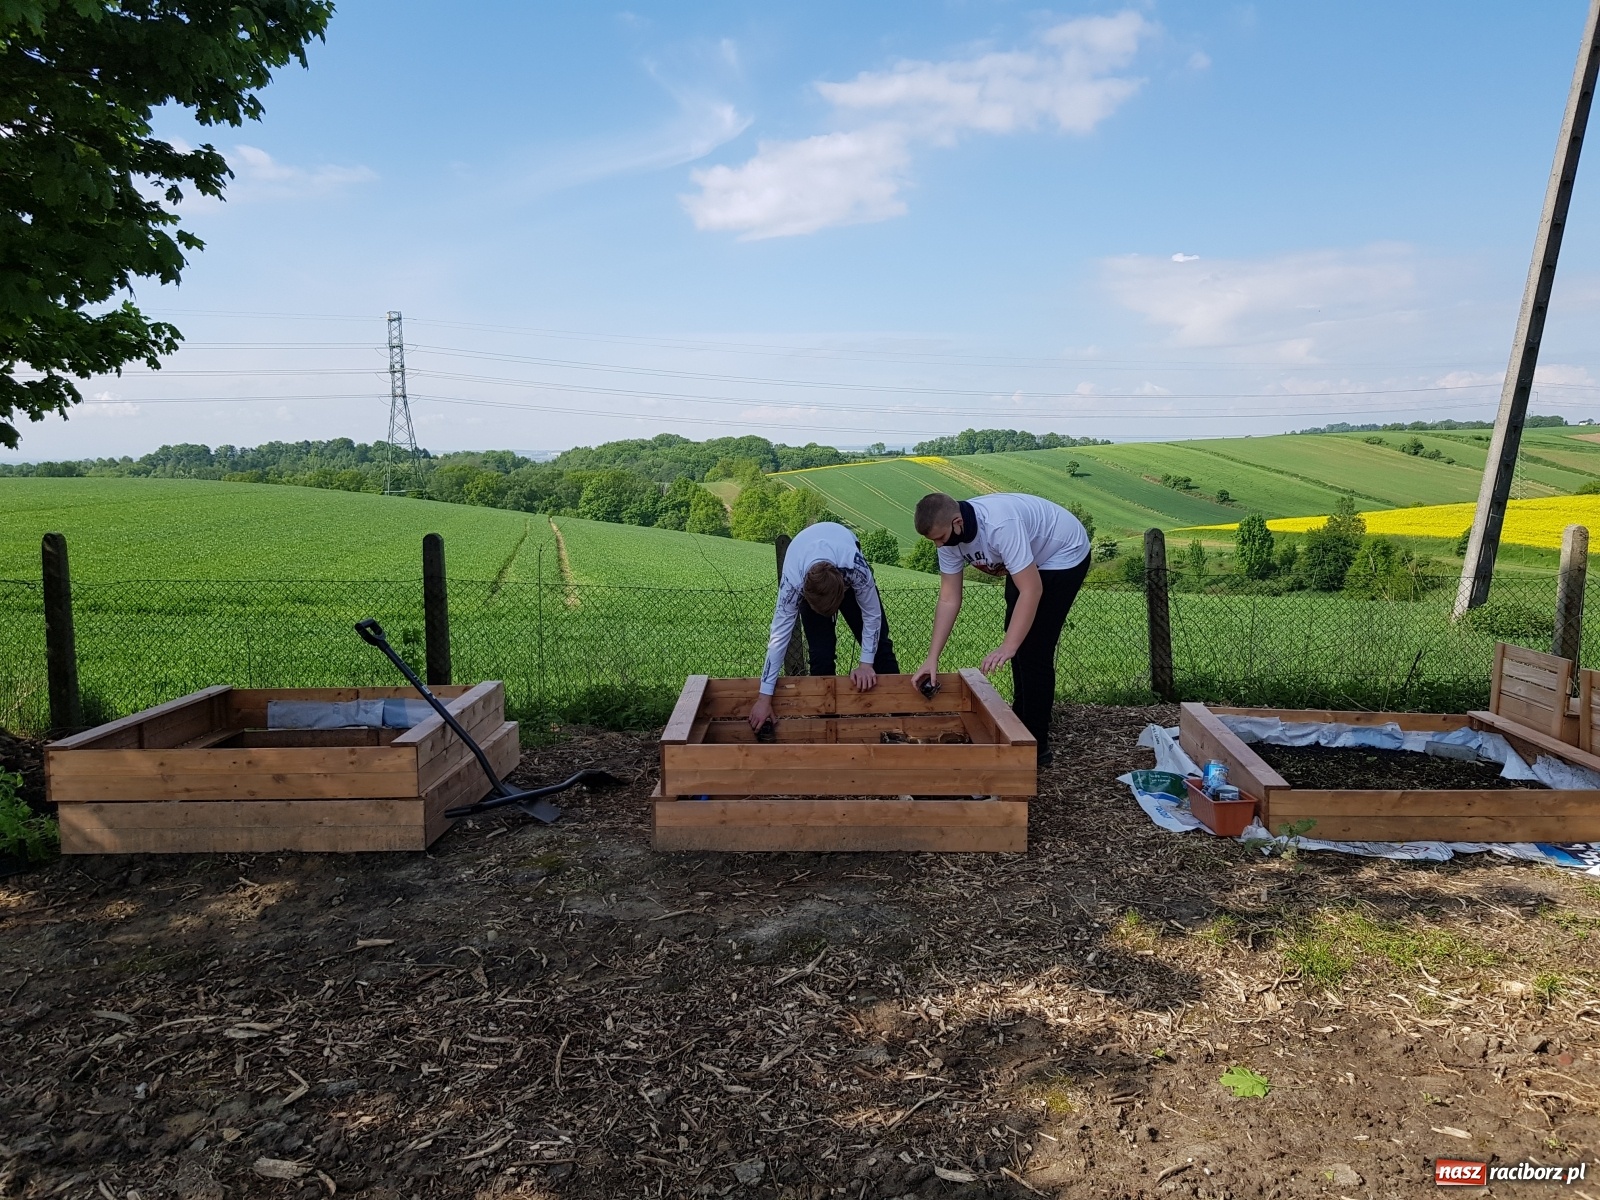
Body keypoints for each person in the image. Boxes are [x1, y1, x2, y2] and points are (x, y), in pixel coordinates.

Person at [909, 492, 1090, 767]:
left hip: (1063, 553)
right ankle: (1022, 719)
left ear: (958, 522)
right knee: (1016, 633)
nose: (938, 544)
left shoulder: (1000, 525)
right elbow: (949, 598)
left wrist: (1009, 645)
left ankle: (1036, 745)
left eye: (940, 538)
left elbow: (1032, 590)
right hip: (1028, 557)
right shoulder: (948, 540)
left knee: (1033, 649)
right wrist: (932, 657)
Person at [748, 521, 900, 731]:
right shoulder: (793, 584)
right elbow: (778, 639)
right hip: (808, 573)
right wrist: (764, 699)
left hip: (842, 572)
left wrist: (866, 665)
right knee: (821, 653)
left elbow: (872, 615)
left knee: (880, 646)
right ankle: (825, 719)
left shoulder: (856, 569)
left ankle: (902, 711)